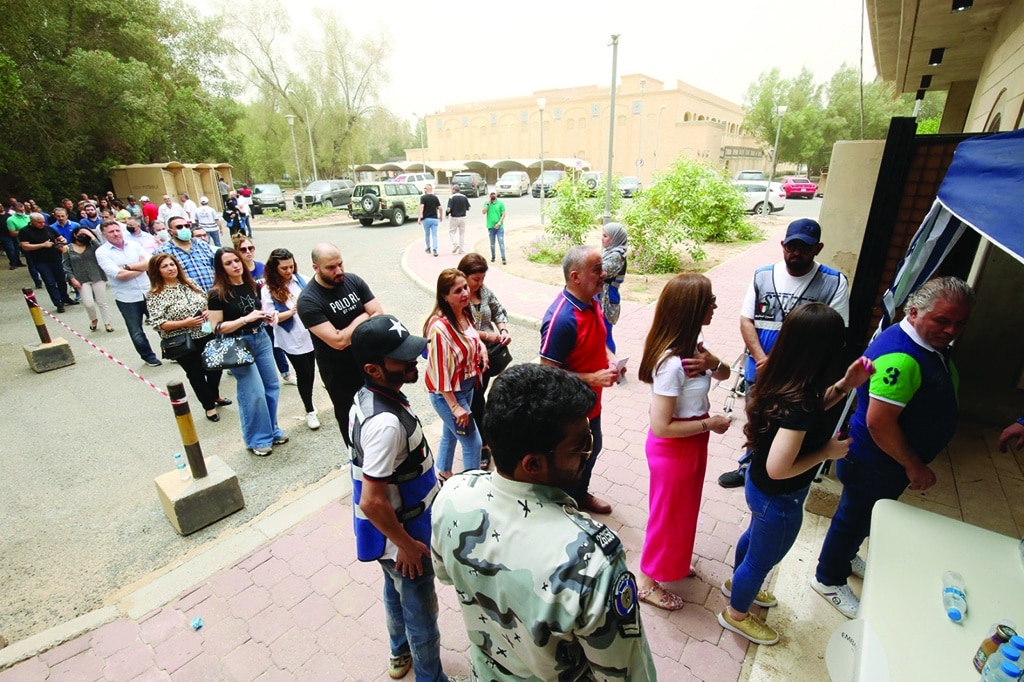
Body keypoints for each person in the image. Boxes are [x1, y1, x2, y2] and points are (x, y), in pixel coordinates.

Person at [431, 363, 657, 680]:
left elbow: (446, 575)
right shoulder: (593, 564)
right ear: (533, 464)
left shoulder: (452, 497)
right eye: (581, 446)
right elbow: (625, 673)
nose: (588, 453)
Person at [812, 276, 974, 618]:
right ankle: (828, 578)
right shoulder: (901, 356)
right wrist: (914, 465)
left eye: (959, 323)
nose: (951, 330)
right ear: (914, 312)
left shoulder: (927, 344)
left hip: (883, 464)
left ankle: (846, 554)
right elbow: (879, 422)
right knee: (852, 518)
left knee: (863, 517)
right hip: (874, 462)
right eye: (942, 321)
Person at [719, 303, 874, 645]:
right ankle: (737, 613)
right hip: (779, 498)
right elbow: (780, 468)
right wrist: (826, 452)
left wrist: (845, 385)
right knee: (762, 560)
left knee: (753, 541)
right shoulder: (800, 403)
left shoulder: (782, 376)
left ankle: (737, 584)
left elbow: (815, 405)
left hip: (759, 490)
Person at [348, 314, 449, 682]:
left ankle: (398, 654)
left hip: (388, 536)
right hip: (403, 536)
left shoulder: (368, 397)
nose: (415, 361)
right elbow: (372, 501)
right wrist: (406, 546)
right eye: (402, 358)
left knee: (394, 591)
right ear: (374, 369)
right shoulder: (386, 424)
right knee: (422, 614)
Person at [718, 218, 850, 489]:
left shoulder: (833, 282)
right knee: (757, 423)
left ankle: (783, 470)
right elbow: (746, 320)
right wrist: (762, 359)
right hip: (761, 371)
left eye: (804, 247)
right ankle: (750, 468)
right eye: (791, 246)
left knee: (790, 428)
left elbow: (835, 333)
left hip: (802, 379)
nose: (796, 252)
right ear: (782, 245)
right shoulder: (763, 275)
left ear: (818, 248)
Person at [636, 274, 732, 610]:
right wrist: (710, 423)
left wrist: (713, 363)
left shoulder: (696, 347)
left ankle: (673, 563)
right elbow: (661, 427)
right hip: (673, 449)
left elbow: (725, 374)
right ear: (693, 309)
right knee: (666, 514)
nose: (715, 305)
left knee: (683, 510)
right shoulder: (672, 365)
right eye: (710, 301)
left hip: (692, 443)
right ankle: (647, 582)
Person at [539, 246, 619, 515]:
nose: (603, 274)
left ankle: (579, 496)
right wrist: (592, 377)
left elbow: (598, 340)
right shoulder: (561, 319)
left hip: (591, 404)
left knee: (592, 450)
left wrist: (610, 358)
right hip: (569, 412)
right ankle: (563, 509)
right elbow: (547, 374)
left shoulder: (592, 301)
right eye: (596, 270)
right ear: (575, 277)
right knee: (569, 462)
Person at [296, 243, 383, 445]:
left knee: (382, 412)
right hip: (340, 374)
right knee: (352, 421)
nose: (339, 271)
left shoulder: (353, 280)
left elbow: (379, 313)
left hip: (370, 362)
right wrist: (363, 315)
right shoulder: (308, 301)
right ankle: (359, 466)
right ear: (315, 268)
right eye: (331, 267)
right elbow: (338, 341)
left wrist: (352, 326)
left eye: (340, 264)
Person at [206, 247, 287, 457]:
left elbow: (255, 312)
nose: (235, 265)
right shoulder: (216, 293)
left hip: (260, 337)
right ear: (221, 268)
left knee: (271, 386)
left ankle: (272, 430)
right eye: (228, 263)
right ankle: (257, 438)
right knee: (254, 392)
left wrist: (266, 316)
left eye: (236, 260)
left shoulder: (250, 284)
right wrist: (245, 319)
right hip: (237, 343)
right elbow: (216, 327)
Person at [146, 253, 226, 422]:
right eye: (165, 266)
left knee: (215, 366)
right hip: (182, 340)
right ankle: (209, 406)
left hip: (205, 332)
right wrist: (185, 323)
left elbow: (205, 302)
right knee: (196, 374)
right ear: (157, 271)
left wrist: (206, 311)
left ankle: (215, 394)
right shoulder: (155, 294)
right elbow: (158, 323)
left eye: (172, 264)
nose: (170, 268)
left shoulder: (190, 283)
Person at [423, 268, 486, 482]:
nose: (465, 293)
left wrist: (482, 349)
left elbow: (472, 336)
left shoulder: (464, 311)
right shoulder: (439, 329)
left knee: (450, 434)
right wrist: (455, 406)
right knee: (473, 443)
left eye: (465, 287)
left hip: (465, 388)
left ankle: (443, 473)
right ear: (444, 296)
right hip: (449, 394)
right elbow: (440, 375)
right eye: (458, 291)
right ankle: (472, 489)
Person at [457, 253, 511, 470]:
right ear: (464, 276)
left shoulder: (484, 292)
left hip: (489, 358)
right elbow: (460, 328)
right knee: (476, 400)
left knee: (482, 396)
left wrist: (504, 329)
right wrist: (488, 336)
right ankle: (482, 445)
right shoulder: (459, 296)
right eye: (475, 279)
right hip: (469, 360)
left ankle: (483, 438)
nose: (479, 283)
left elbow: (499, 310)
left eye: (482, 278)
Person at [262, 248, 320, 430]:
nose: (289, 271)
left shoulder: (300, 279)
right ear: (274, 269)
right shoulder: (267, 289)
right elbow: (269, 319)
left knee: (318, 369)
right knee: (305, 374)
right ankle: (309, 410)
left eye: (291, 266)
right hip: (292, 338)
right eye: (284, 268)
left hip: (312, 333)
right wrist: (291, 312)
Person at [96, 220, 161, 367]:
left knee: (162, 324)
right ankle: (149, 357)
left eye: (117, 230)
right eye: (111, 232)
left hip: (148, 291)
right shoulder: (102, 252)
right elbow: (118, 275)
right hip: (127, 298)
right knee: (136, 331)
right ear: (104, 235)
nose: (116, 234)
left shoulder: (134, 245)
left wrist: (128, 267)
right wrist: (141, 268)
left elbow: (151, 263)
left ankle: (172, 351)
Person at [232, 234, 293, 384]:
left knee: (275, 344)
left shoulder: (262, 267)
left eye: (250, 248)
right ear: (237, 252)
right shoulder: (239, 273)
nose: (248, 252)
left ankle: (285, 373)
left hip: (268, 312)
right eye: (243, 249)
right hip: (251, 317)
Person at [19, 212, 73, 311]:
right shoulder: (25, 231)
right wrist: (42, 245)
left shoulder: (48, 229)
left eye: (43, 222)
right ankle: (58, 303)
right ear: (32, 222)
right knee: (50, 282)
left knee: (61, 279)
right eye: (39, 223)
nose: (42, 224)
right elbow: (25, 246)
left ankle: (65, 297)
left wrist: (62, 240)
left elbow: (58, 237)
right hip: (40, 261)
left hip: (55, 258)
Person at [63, 226, 113, 332]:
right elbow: (66, 266)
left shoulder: (93, 246)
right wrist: (72, 278)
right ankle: (93, 319)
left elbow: (102, 249)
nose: (83, 236)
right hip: (80, 279)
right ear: (75, 235)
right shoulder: (67, 248)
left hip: (97, 276)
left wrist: (91, 236)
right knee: (88, 303)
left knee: (102, 301)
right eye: (80, 234)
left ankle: (107, 322)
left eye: (85, 234)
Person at [156, 216, 216, 291]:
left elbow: (215, 267)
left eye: (187, 226)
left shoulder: (202, 245)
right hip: (187, 298)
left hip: (212, 294)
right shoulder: (164, 251)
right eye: (179, 227)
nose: (184, 229)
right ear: (170, 231)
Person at [600, 222, 628, 353]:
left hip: (608, 296)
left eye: (606, 236)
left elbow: (600, 272)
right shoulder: (608, 252)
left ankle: (612, 362)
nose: (602, 238)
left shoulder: (617, 256)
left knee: (606, 332)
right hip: (603, 294)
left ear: (615, 238)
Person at [418, 184, 441, 257]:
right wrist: (440, 216)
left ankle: (428, 248)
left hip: (426, 219)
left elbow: (422, 207)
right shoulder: (435, 198)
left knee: (427, 234)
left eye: (425, 188)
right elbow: (440, 208)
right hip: (434, 219)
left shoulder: (423, 198)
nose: (424, 190)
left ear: (427, 189)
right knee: (434, 235)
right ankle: (435, 249)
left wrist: (420, 217)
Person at [482, 191, 506, 264]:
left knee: (501, 242)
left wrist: (499, 223)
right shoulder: (487, 203)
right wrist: (487, 204)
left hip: (499, 227)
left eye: (494, 194)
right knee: (492, 244)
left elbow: (503, 214)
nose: (492, 195)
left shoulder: (500, 203)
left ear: (496, 195)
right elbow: (483, 212)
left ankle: (503, 258)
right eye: (491, 194)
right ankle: (493, 256)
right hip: (490, 227)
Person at [445, 186, 470, 254]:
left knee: (452, 232)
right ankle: (461, 250)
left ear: (454, 190)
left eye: (452, 189)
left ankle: (455, 244)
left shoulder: (452, 197)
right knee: (462, 233)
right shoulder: (464, 197)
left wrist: (447, 214)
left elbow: (449, 208)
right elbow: (468, 207)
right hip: (463, 217)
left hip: (454, 217)